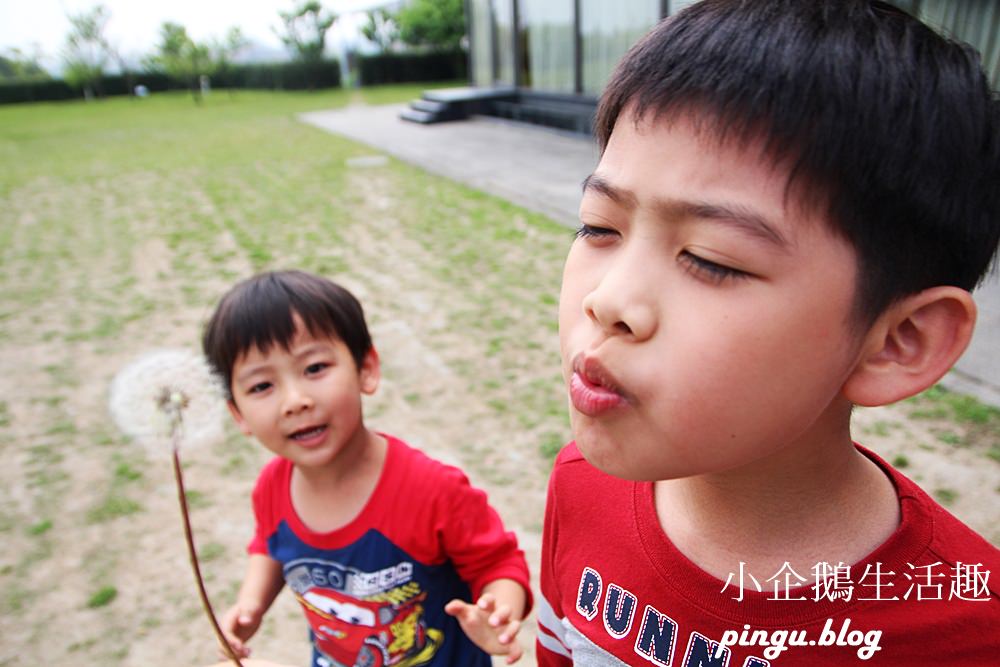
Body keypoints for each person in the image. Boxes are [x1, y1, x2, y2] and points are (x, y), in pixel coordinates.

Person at [536, 1, 1000, 665]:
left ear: (901, 340)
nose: (608, 300)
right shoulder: (579, 484)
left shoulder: (969, 633)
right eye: (598, 226)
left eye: (711, 259)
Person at [202, 270, 530, 667]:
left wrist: (499, 611)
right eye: (261, 387)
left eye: (315, 368)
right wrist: (250, 604)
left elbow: (497, 562)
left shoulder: (432, 489)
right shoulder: (272, 487)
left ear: (366, 369)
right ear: (238, 414)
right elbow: (270, 545)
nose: (295, 400)